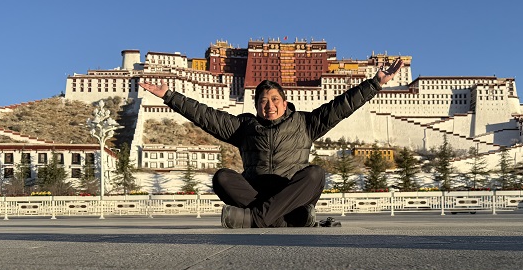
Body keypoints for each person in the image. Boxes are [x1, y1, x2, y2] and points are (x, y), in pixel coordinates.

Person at [139, 58, 404, 228]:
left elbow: (341, 106)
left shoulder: (305, 123)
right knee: (222, 177)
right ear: (256, 106)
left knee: (315, 174)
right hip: (255, 193)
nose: (270, 106)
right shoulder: (244, 127)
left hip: (291, 192)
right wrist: (170, 96)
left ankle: (255, 219)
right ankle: (286, 221)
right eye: (263, 101)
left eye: (275, 100)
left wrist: (375, 84)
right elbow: (206, 116)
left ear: (285, 103)